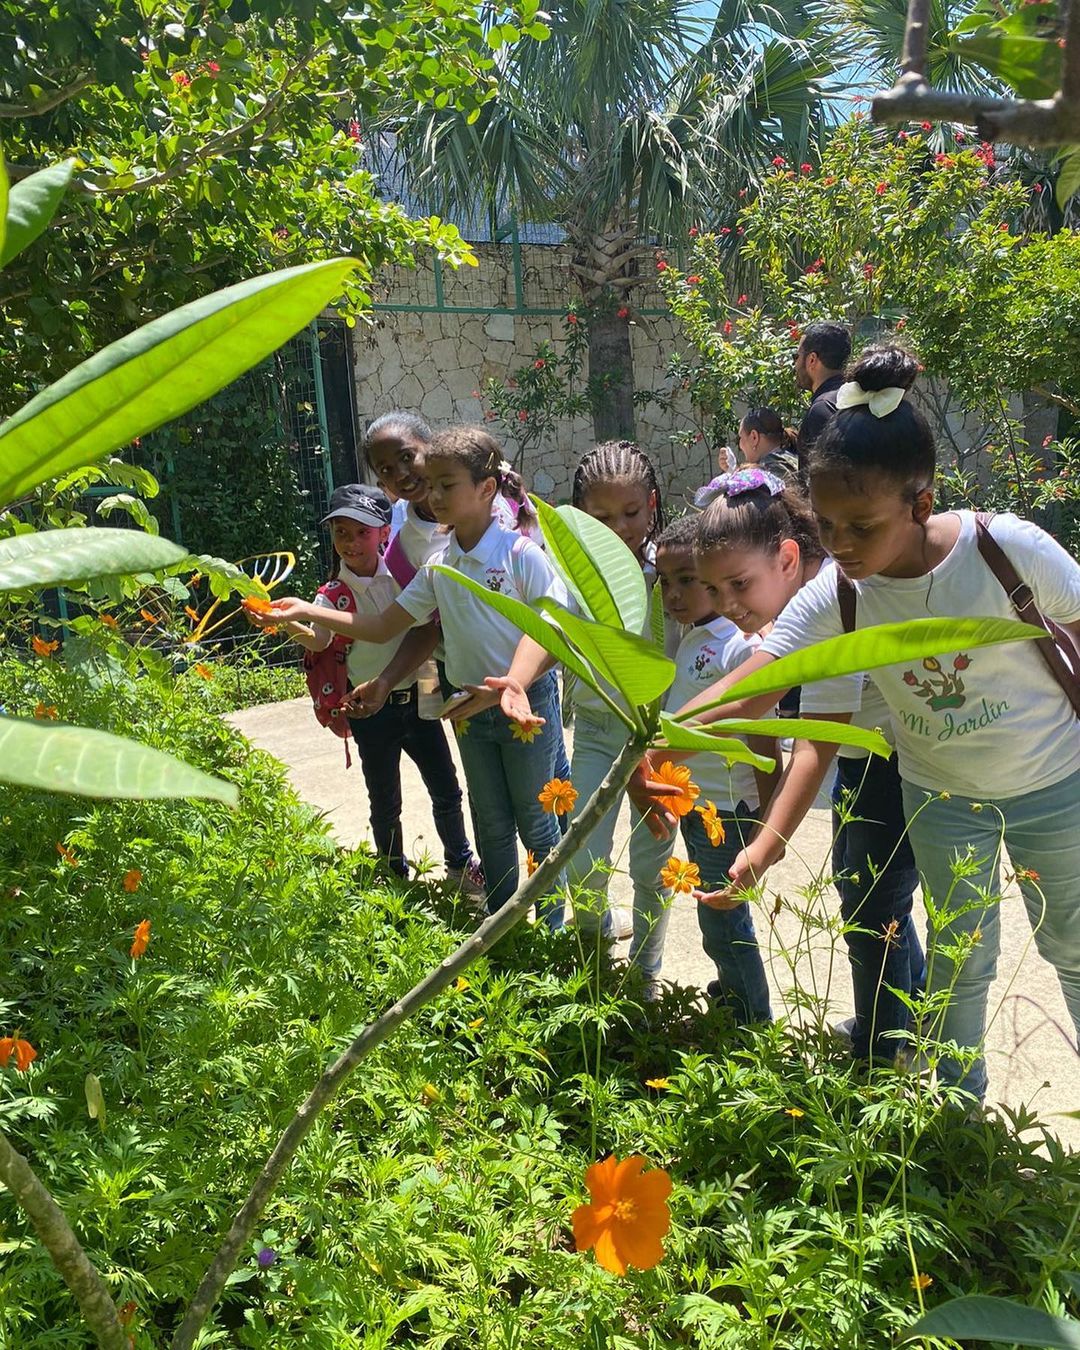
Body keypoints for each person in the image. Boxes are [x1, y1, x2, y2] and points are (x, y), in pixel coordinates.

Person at [634, 347, 1080, 1100]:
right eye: (828, 525)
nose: (840, 547)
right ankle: (956, 1118)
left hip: (1053, 782)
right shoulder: (840, 595)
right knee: (959, 964)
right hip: (942, 799)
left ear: (920, 500)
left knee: (1072, 950)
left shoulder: (1007, 549)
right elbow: (758, 680)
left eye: (861, 526)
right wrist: (658, 743)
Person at [264, 427, 571, 928]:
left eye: (446, 485)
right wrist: (305, 611)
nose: (432, 496)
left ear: (486, 489)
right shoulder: (438, 567)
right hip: (467, 709)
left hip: (523, 705)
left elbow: (555, 624)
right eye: (430, 486)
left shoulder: (518, 555)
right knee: (490, 824)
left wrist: (514, 682)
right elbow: (385, 625)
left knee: (538, 823)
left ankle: (555, 934)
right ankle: (502, 933)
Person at [689, 465, 923, 1060]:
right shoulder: (812, 602)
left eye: (740, 584)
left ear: (788, 559)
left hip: (896, 761)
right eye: (715, 591)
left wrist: (766, 843)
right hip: (864, 759)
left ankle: (883, 1052)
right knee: (868, 892)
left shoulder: (826, 603)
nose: (728, 605)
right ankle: (906, 1018)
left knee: (873, 907)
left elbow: (795, 728)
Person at [263, 482, 481, 891]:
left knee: (447, 787)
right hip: (369, 710)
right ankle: (393, 875)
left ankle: (460, 864)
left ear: (385, 532)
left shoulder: (404, 576)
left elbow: (427, 631)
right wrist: (283, 622)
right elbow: (319, 640)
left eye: (362, 531)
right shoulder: (331, 595)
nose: (350, 542)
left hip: (423, 695)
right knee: (385, 800)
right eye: (341, 532)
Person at [550, 440, 676, 993]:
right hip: (600, 733)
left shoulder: (675, 568)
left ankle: (646, 976)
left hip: (662, 740)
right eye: (601, 518)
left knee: (654, 866)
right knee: (584, 862)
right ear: (581, 518)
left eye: (631, 513)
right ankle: (594, 963)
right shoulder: (573, 575)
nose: (619, 527)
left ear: (651, 504)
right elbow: (552, 627)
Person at [654, 513, 780, 1023]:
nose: (675, 594)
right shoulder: (693, 634)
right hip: (697, 801)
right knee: (715, 914)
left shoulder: (737, 644)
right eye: (665, 582)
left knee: (724, 918)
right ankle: (734, 996)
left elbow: (761, 733)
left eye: (689, 581)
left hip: (725, 808)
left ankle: (752, 1022)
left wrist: (771, 817)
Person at [794, 321, 851, 480]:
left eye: (797, 356)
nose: (795, 364)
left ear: (812, 360)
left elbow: (826, 481)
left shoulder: (822, 409)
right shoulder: (853, 397)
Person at [738, 407, 800, 484]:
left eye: (741, 437)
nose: (740, 446)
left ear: (754, 437)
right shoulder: (795, 457)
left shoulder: (765, 475)